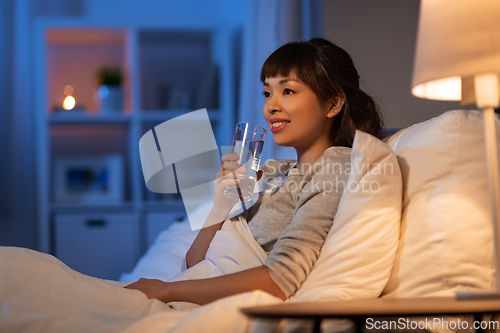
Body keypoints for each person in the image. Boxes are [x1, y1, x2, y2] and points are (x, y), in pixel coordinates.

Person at [126, 37, 383, 304]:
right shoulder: (272, 172)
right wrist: (221, 206)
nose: (270, 106)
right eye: (267, 92)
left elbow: (281, 278)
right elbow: (194, 264)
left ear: (333, 104)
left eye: (288, 91)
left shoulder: (335, 167)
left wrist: (164, 291)